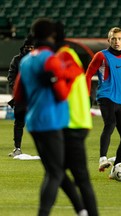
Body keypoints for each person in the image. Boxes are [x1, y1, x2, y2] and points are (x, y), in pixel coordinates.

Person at [14, 18, 85, 216]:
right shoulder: (51, 59)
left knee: (55, 170)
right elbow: (62, 94)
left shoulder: (27, 60)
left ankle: (81, 210)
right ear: (51, 35)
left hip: (34, 122)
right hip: (52, 121)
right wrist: (66, 78)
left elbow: (18, 94)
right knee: (55, 172)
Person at [54, 21, 99, 216]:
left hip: (73, 123)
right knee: (56, 172)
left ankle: (85, 211)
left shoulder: (64, 57)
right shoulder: (67, 55)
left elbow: (62, 91)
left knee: (75, 176)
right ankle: (82, 211)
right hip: (74, 122)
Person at [86, 27, 121, 178]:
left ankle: (115, 170)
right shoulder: (101, 56)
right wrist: (86, 95)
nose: (116, 41)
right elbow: (88, 75)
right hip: (106, 96)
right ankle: (102, 158)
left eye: (119, 38)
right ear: (109, 40)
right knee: (110, 124)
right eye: (113, 39)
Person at [7, 34, 34, 157]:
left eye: (32, 47)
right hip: (22, 97)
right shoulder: (17, 60)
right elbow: (11, 77)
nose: (29, 49)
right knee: (19, 123)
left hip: (35, 96)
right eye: (28, 47)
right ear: (23, 47)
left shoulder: (38, 60)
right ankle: (17, 147)